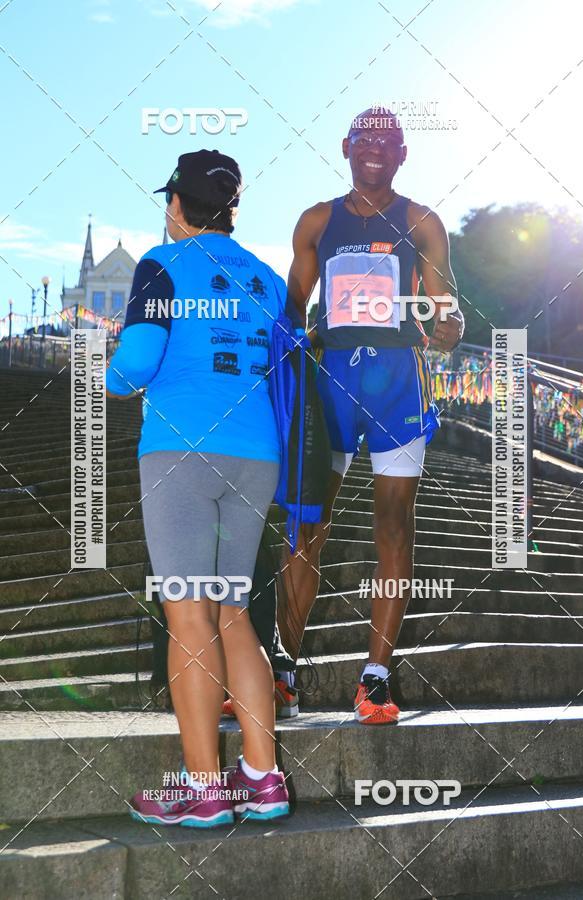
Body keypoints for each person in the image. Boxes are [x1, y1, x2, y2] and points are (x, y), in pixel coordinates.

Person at [106, 150, 290, 826]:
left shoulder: (162, 263)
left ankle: (205, 790)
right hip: (257, 453)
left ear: (177, 205)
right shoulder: (268, 280)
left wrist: (106, 376)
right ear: (231, 208)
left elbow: (134, 366)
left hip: (182, 449)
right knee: (232, 612)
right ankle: (262, 780)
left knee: (187, 613)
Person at [277, 108, 464, 724]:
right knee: (308, 526)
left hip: (394, 386)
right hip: (330, 383)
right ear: (345, 147)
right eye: (364, 140)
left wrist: (447, 326)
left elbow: (445, 309)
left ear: (404, 153)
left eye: (387, 142)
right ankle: (283, 669)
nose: (375, 150)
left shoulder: (421, 221)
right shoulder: (316, 220)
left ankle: (376, 679)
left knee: (394, 526)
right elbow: (291, 309)